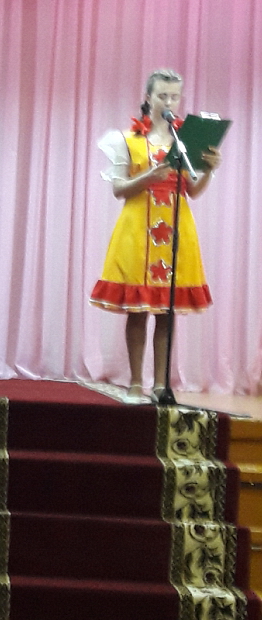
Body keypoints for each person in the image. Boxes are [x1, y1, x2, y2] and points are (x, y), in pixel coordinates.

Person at [90, 69, 221, 402]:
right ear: (148, 98)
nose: (169, 102)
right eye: (162, 95)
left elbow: (194, 190)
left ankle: (161, 384)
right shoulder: (128, 139)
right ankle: (136, 382)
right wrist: (149, 177)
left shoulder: (185, 141)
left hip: (176, 230)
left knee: (167, 311)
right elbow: (119, 188)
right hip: (138, 229)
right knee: (138, 309)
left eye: (174, 96)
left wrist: (208, 170)